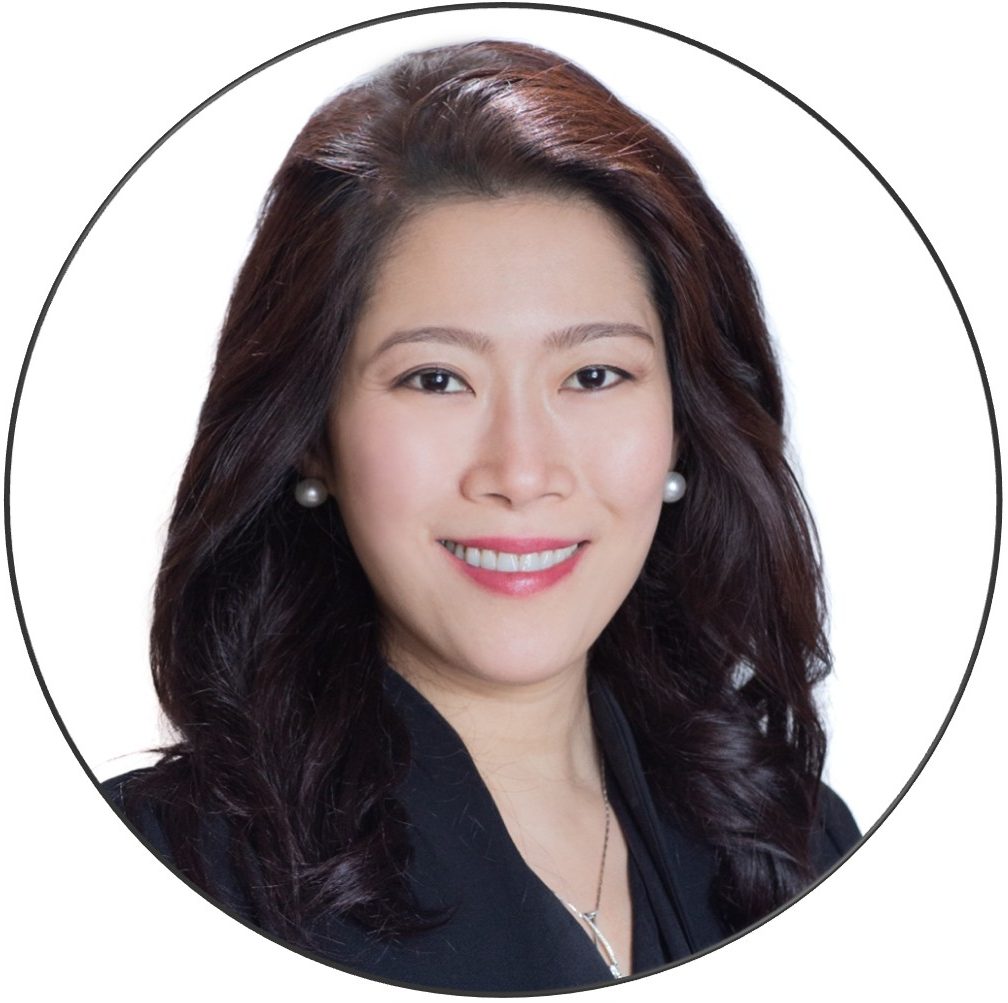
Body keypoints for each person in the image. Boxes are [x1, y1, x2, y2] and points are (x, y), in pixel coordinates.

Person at [103, 39, 860, 993]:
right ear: (312, 436)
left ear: (682, 424)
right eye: (436, 378)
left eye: (594, 374)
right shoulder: (159, 870)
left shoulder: (797, 845)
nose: (522, 471)